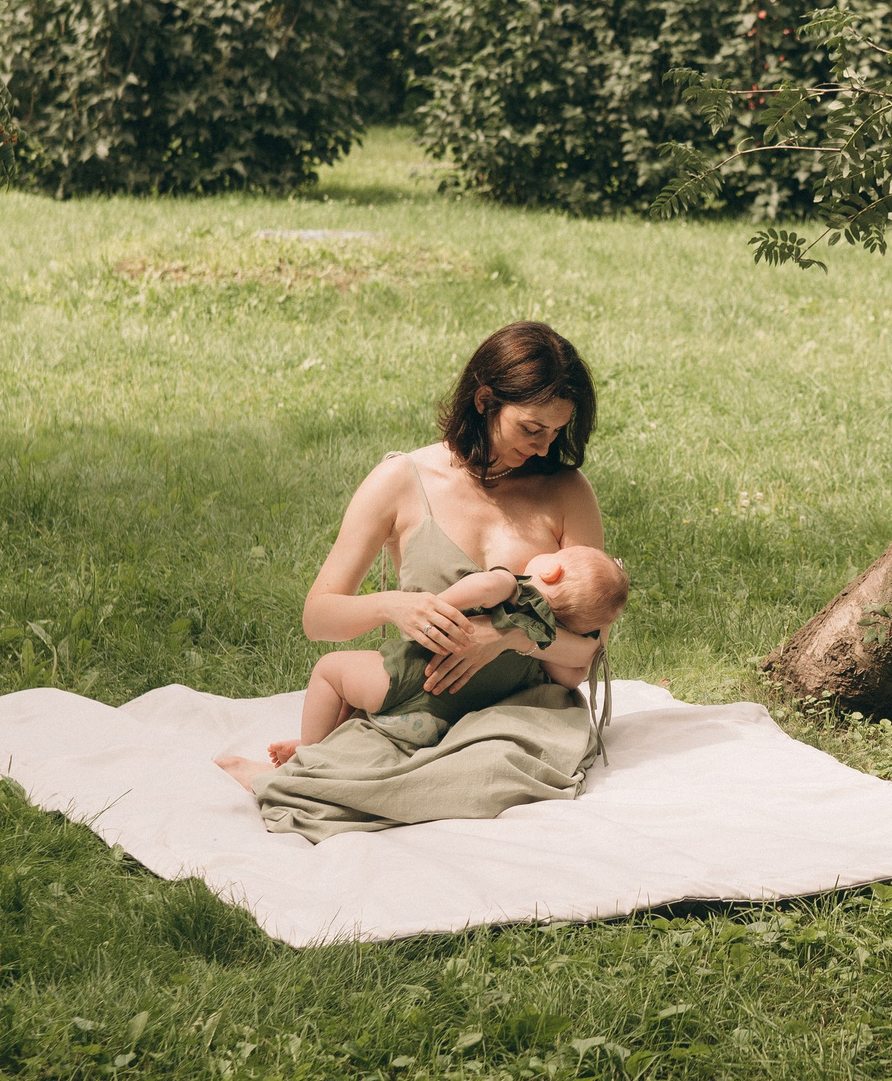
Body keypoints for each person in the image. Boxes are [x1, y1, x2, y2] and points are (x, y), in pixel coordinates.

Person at [212, 322, 619, 840]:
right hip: (420, 696)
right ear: (484, 399)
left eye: (557, 432)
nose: (544, 448)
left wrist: (506, 638)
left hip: (518, 713)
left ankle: (327, 779)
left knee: (494, 771)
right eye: (531, 428)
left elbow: (588, 650)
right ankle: (305, 776)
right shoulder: (401, 481)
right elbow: (318, 618)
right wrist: (393, 608)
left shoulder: (566, 491)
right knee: (403, 761)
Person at [259, 543, 628, 768]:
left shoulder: (513, 587)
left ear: (552, 568)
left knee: (331, 672)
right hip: (435, 724)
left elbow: (483, 585)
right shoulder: (544, 642)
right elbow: (571, 675)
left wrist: (435, 606)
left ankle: (309, 750)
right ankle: (327, 742)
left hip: (406, 684)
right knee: (354, 698)